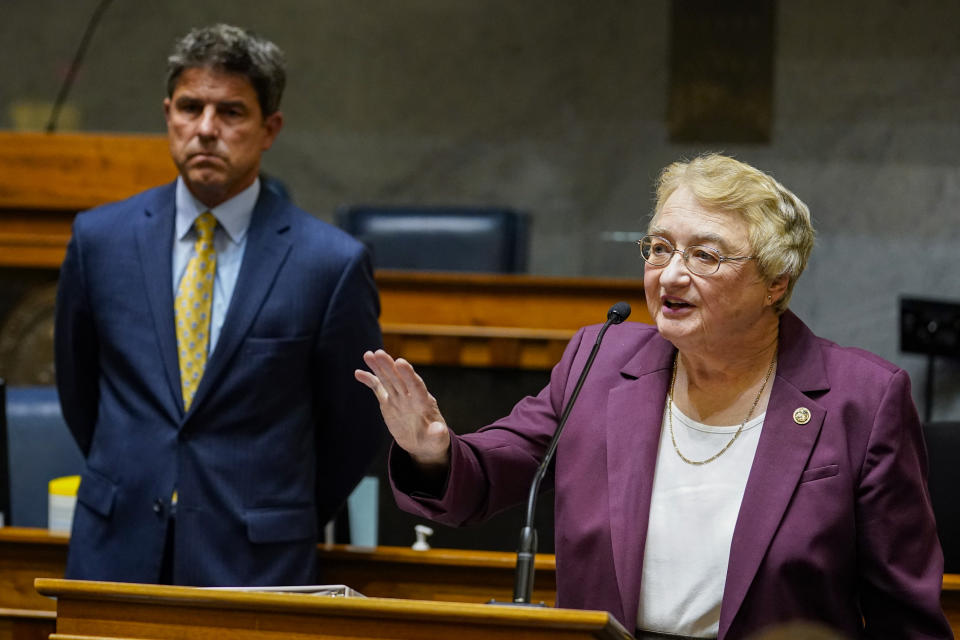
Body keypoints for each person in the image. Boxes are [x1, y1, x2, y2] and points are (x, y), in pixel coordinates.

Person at [355, 154, 952, 639]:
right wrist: (433, 449)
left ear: (777, 281)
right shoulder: (602, 360)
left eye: (705, 255)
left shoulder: (861, 400)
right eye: (660, 247)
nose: (669, 275)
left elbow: (906, 617)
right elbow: (487, 477)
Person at [55, 24, 385, 586]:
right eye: (190, 107)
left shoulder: (329, 264)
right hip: (116, 548)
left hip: (256, 560)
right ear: (167, 114)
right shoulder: (99, 240)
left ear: (269, 129)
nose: (205, 130)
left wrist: (274, 513)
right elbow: (79, 387)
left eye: (231, 112)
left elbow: (351, 431)